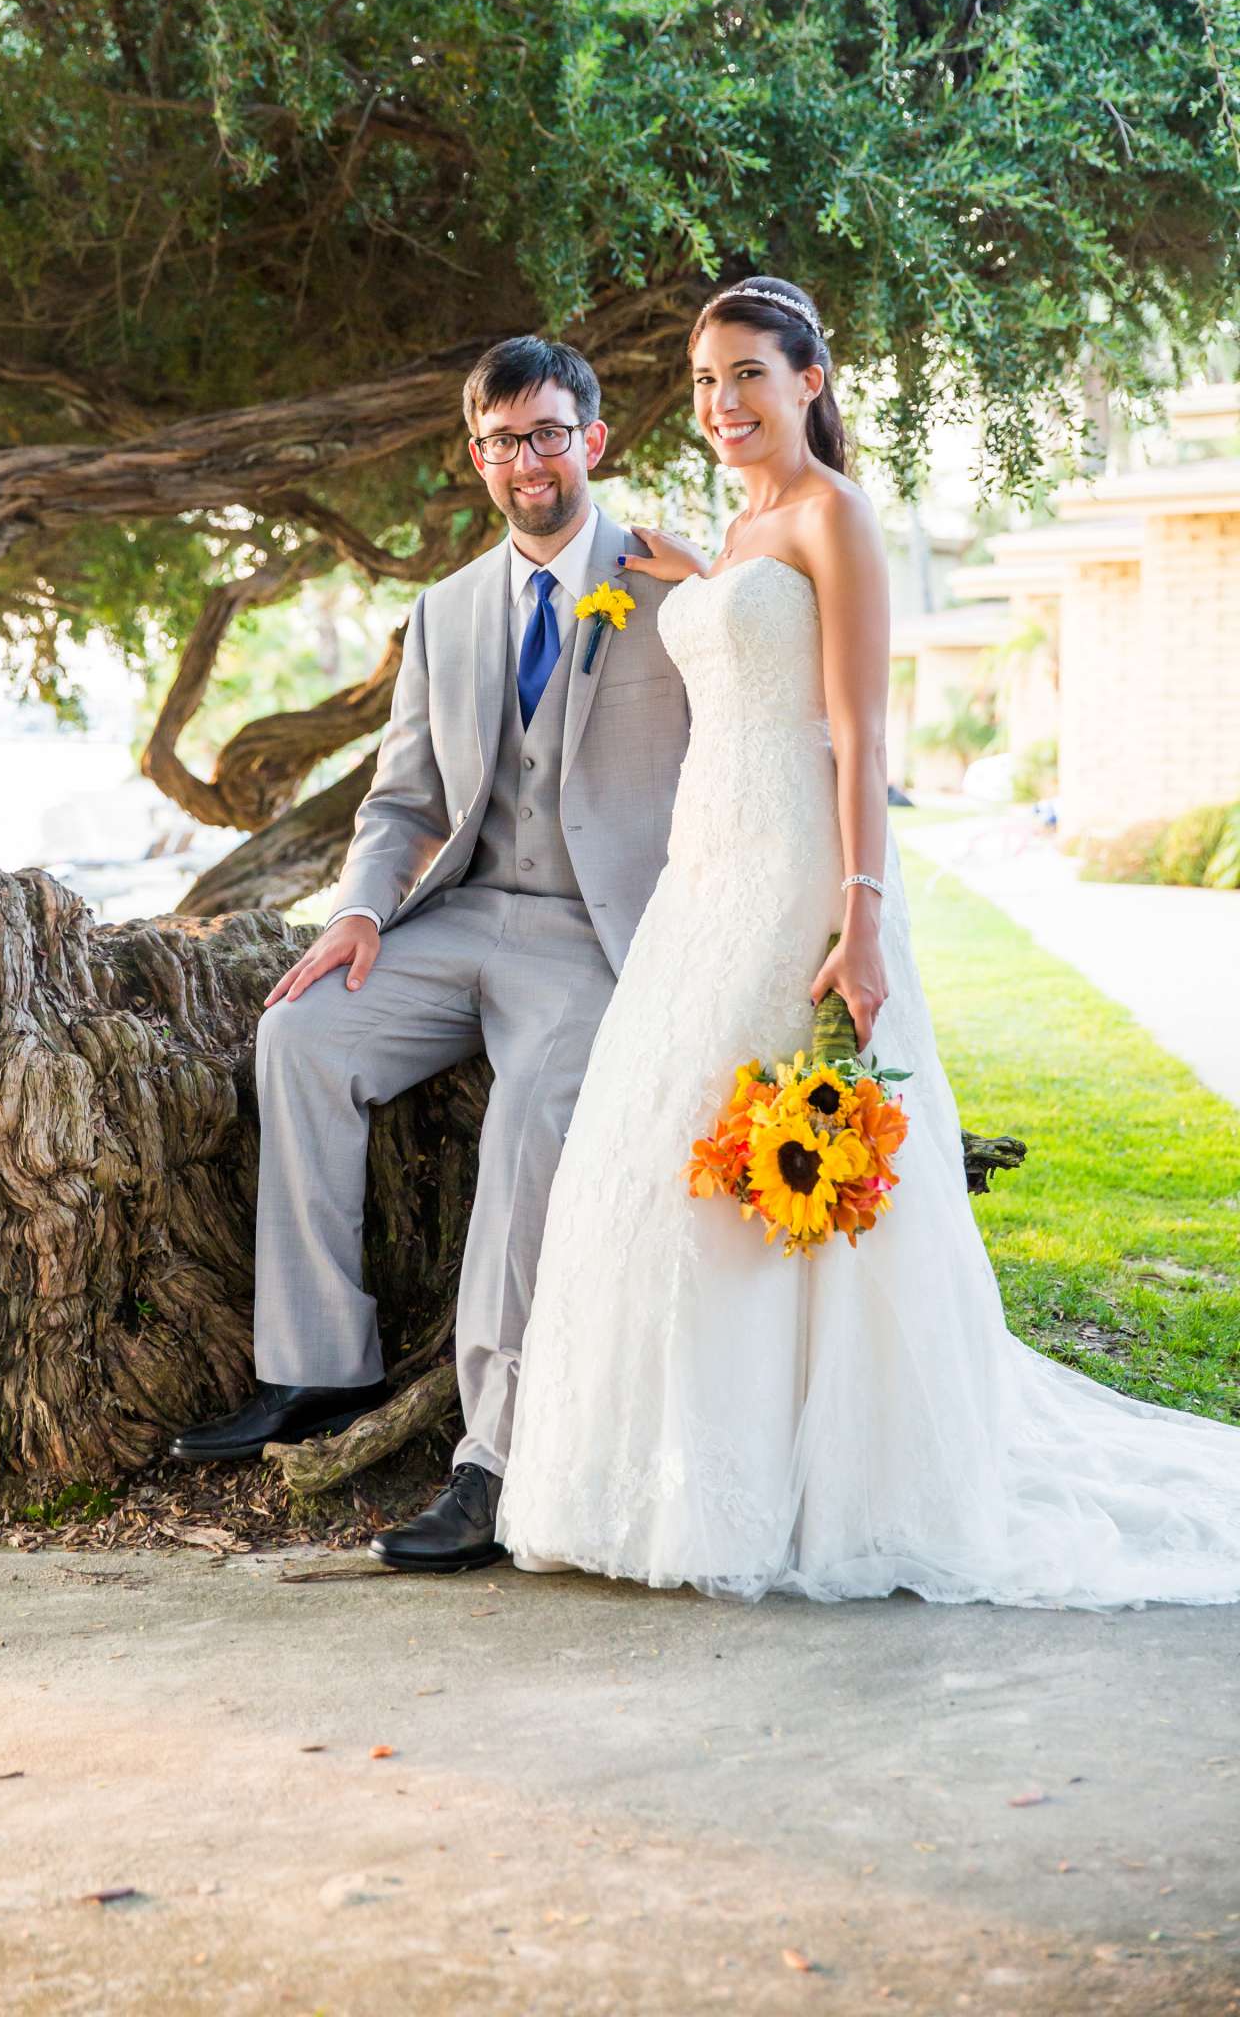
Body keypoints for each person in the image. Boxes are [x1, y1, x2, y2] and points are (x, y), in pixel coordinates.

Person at [497, 276, 1240, 1609]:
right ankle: (678, 1476)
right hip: (702, 867)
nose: (723, 402)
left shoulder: (838, 517)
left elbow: (853, 733)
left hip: (793, 869)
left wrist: (862, 915)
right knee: (669, 1154)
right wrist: (695, 572)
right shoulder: (745, 523)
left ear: (811, 383)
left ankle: (817, 1489)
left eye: (750, 377)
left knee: (758, 1160)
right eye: (707, 379)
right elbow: (746, 640)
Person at [169, 336, 691, 1571]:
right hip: (456, 918)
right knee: (298, 1034)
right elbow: (401, 803)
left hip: (590, 937)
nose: (528, 461)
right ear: (477, 456)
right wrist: (358, 910)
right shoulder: (443, 609)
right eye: (504, 441)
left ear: (593, 441)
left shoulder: (672, 583)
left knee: (530, 1123)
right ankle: (315, 1370)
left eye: (550, 433)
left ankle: (491, 1458)